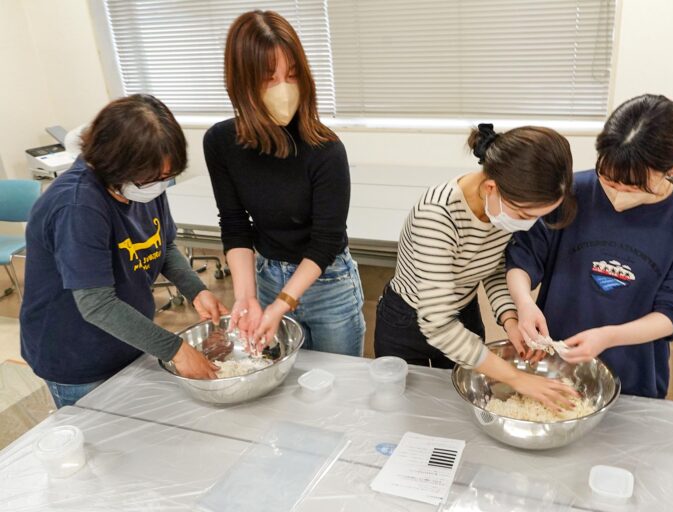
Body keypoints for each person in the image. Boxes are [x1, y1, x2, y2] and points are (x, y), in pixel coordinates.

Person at [21, 94, 229, 408]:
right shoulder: (77, 206)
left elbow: (162, 244)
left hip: (126, 340)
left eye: (166, 178)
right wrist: (175, 349)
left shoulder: (145, 185)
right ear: (114, 163)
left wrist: (196, 291)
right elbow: (96, 304)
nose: (158, 186)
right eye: (151, 178)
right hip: (76, 356)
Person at [506, 94, 673, 399]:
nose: (619, 193)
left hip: (634, 372)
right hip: (556, 366)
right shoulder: (575, 190)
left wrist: (609, 337)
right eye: (610, 181)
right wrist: (523, 302)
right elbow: (524, 255)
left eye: (636, 186)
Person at [374, 124, 580, 410]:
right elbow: (439, 326)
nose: (528, 224)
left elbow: (492, 267)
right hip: (409, 320)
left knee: (460, 408)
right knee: (410, 410)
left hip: (464, 310)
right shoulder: (437, 216)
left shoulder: (499, 208)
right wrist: (518, 379)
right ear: (490, 187)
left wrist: (511, 318)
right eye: (523, 214)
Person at [204, 10, 365, 356]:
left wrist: (281, 305)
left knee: (342, 387)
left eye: (291, 75)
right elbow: (234, 225)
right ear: (242, 83)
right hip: (266, 274)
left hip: (328, 283)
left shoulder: (325, 149)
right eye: (269, 78)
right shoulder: (220, 142)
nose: (284, 89)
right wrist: (247, 297)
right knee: (283, 383)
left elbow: (325, 241)